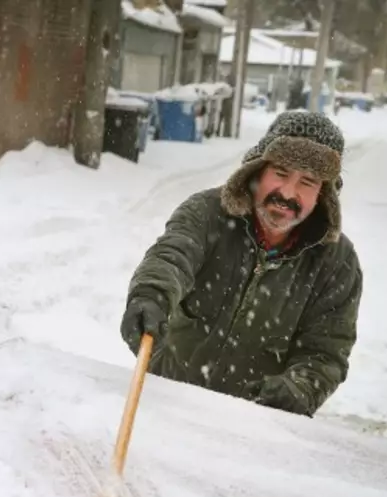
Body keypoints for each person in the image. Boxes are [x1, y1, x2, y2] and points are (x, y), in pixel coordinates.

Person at [119, 111, 363, 417]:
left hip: (252, 429)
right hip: (166, 403)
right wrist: (150, 296)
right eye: (281, 172)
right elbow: (171, 257)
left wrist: (299, 389)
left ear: (324, 194)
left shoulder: (337, 263)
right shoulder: (207, 213)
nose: (288, 193)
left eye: (307, 181)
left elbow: (325, 353)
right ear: (257, 170)